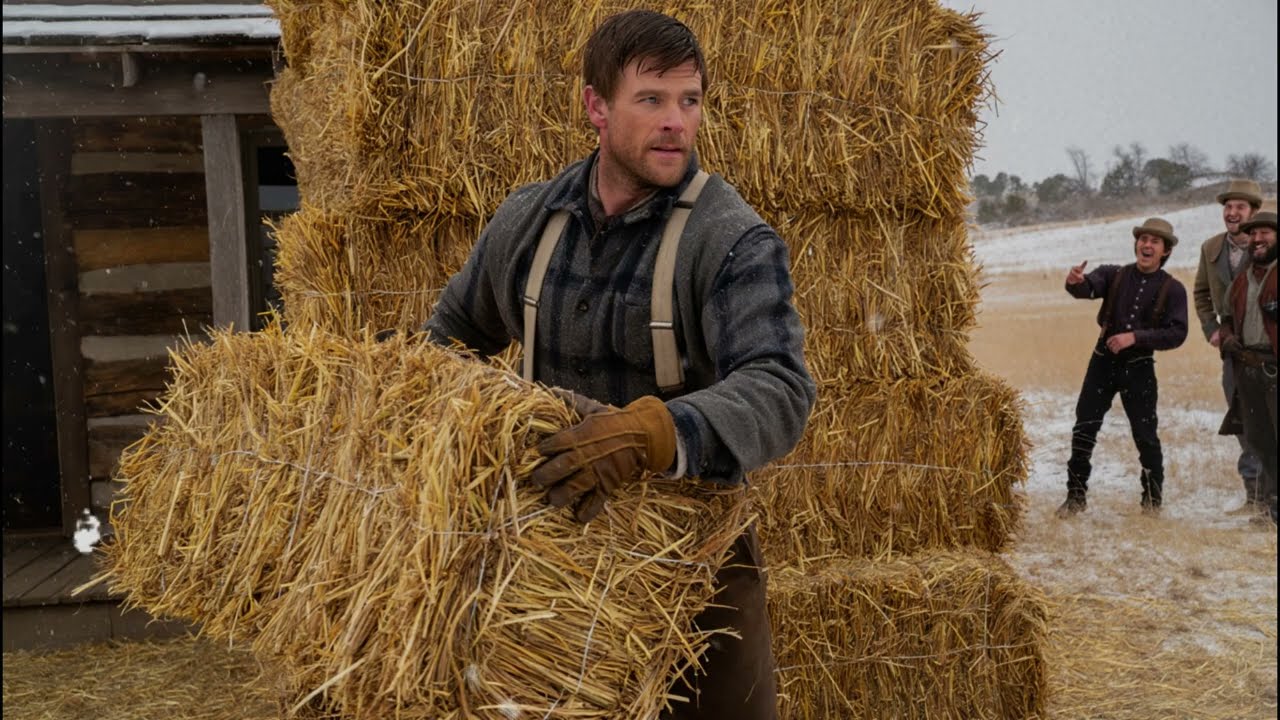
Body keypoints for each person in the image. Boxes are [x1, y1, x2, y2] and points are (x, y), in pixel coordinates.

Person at [422, 10, 816, 719]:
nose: (676, 122)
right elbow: (449, 336)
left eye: (689, 101)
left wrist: (650, 435)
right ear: (596, 106)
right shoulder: (527, 222)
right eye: (652, 99)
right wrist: (454, 432)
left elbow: (779, 388)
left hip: (692, 572)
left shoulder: (731, 241)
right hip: (543, 566)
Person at [1056, 218, 1189, 518]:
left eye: (1155, 241)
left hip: (1139, 367)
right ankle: (1075, 497)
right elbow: (1086, 288)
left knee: (1145, 435)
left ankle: (1152, 502)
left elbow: (1177, 334)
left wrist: (1136, 338)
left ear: (1165, 251)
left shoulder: (1174, 289)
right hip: (1102, 362)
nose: (1147, 245)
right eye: (1143, 239)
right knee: (1084, 428)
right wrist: (1075, 282)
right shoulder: (1113, 275)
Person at [1193, 179, 1265, 514]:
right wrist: (1212, 330)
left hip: (1267, 343)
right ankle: (1253, 495)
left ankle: (1270, 498)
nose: (1232, 212)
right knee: (1243, 420)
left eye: (1240, 207)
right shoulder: (1211, 249)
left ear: (1253, 212)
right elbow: (1201, 294)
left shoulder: (1267, 245)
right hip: (1232, 346)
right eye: (1228, 206)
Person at [1218, 210, 1277, 526]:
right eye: (1254, 234)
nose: (1258, 239)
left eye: (1266, 233)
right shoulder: (1241, 280)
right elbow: (1225, 318)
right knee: (1260, 440)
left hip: (1275, 368)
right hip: (1249, 370)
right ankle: (1270, 509)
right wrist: (1227, 339)